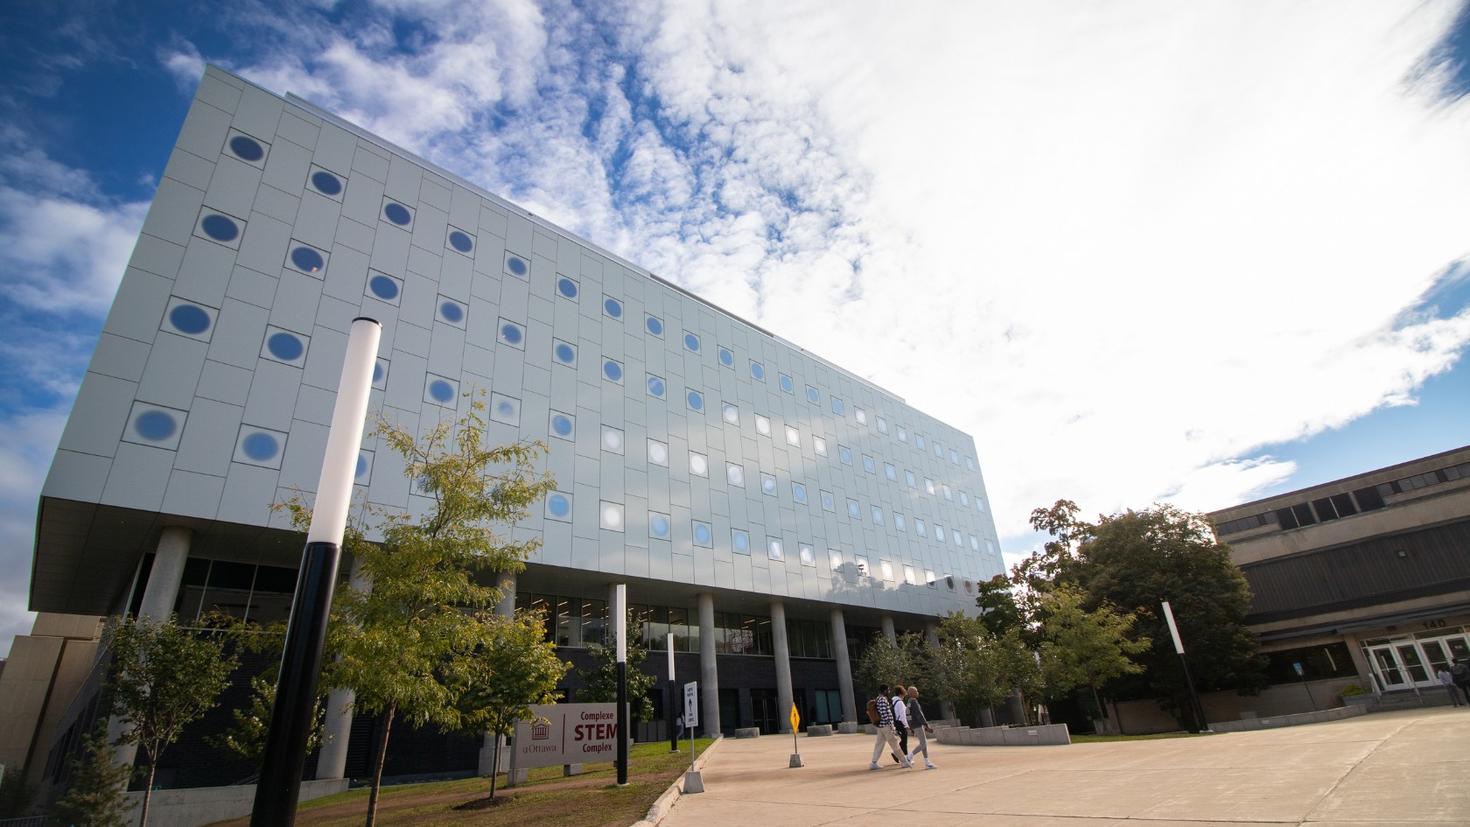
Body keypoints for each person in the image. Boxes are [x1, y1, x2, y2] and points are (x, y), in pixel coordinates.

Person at [869, 684, 910, 770]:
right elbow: (885, 714)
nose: (889, 691)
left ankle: (874, 762)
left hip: (880, 726)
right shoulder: (883, 700)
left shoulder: (878, 699)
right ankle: (904, 761)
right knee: (894, 743)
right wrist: (891, 726)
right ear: (884, 691)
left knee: (879, 744)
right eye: (888, 690)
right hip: (886, 726)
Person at [905, 686, 937, 769]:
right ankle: (909, 756)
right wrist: (926, 725)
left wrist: (911, 726)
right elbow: (919, 714)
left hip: (914, 725)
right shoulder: (914, 702)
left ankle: (927, 762)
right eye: (916, 691)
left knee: (923, 743)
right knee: (924, 743)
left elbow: (908, 716)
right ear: (912, 693)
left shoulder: (909, 702)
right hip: (918, 724)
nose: (917, 692)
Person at [891, 685, 910, 759]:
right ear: (901, 693)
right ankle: (905, 758)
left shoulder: (894, 702)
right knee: (904, 741)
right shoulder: (900, 703)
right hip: (900, 723)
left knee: (903, 741)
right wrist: (906, 725)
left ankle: (896, 754)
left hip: (896, 723)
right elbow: (902, 716)